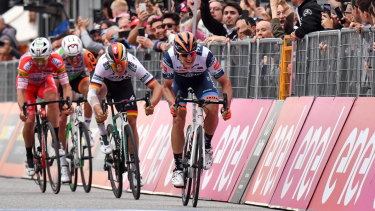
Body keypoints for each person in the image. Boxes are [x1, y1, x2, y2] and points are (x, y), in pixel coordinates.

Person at [161, 32, 232, 188]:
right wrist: (173, 104)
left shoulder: (205, 55)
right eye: (184, 55)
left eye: (192, 53)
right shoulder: (169, 57)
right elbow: (165, 87)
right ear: (177, 52)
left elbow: (225, 82)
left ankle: (206, 145)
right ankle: (178, 168)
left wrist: (227, 106)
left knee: (213, 107)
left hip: (201, 81)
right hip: (180, 84)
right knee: (179, 116)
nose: (189, 58)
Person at [87, 42, 162, 184]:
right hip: (105, 85)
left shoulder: (133, 63)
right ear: (109, 63)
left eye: (122, 63)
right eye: (115, 65)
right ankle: (104, 137)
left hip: (123, 86)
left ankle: (134, 166)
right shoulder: (103, 65)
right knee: (99, 97)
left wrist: (152, 104)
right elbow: (91, 94)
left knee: (132, 122)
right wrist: (97, 108)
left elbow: (156, 86)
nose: (120, 68)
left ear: (126, 59)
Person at [16, 37, 73, 182]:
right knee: (29, 121)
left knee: (53, 98)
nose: (40, 63)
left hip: (44, 83)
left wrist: (67, 103)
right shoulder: (26, 62)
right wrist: (22, 110)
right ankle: (29, 155)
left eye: (43, 60)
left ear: (49, 55)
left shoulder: (57, 59)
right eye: (37, 60)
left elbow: (66, 86)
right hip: (28, 88)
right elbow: (21, 91)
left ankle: (55, 139)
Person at [54, 35, 97, 149]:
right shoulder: (57, 57)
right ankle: (63, 155)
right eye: (71, 57)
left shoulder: (87, 54)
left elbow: (96, 79)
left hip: (78, 78)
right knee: (62, 118)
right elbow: (55, 87)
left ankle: (86, 129)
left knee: (90, 91)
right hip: (61, 81)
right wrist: (61, 102)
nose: (75, 60)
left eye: (77, 56)